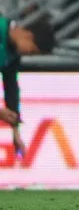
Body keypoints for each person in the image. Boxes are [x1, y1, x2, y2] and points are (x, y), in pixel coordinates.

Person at [0, 15, 56, 160]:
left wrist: (15, 131)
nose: (28, 54)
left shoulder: (11, 57)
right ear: (28, 36)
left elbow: (11, 91)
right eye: (31, 51)